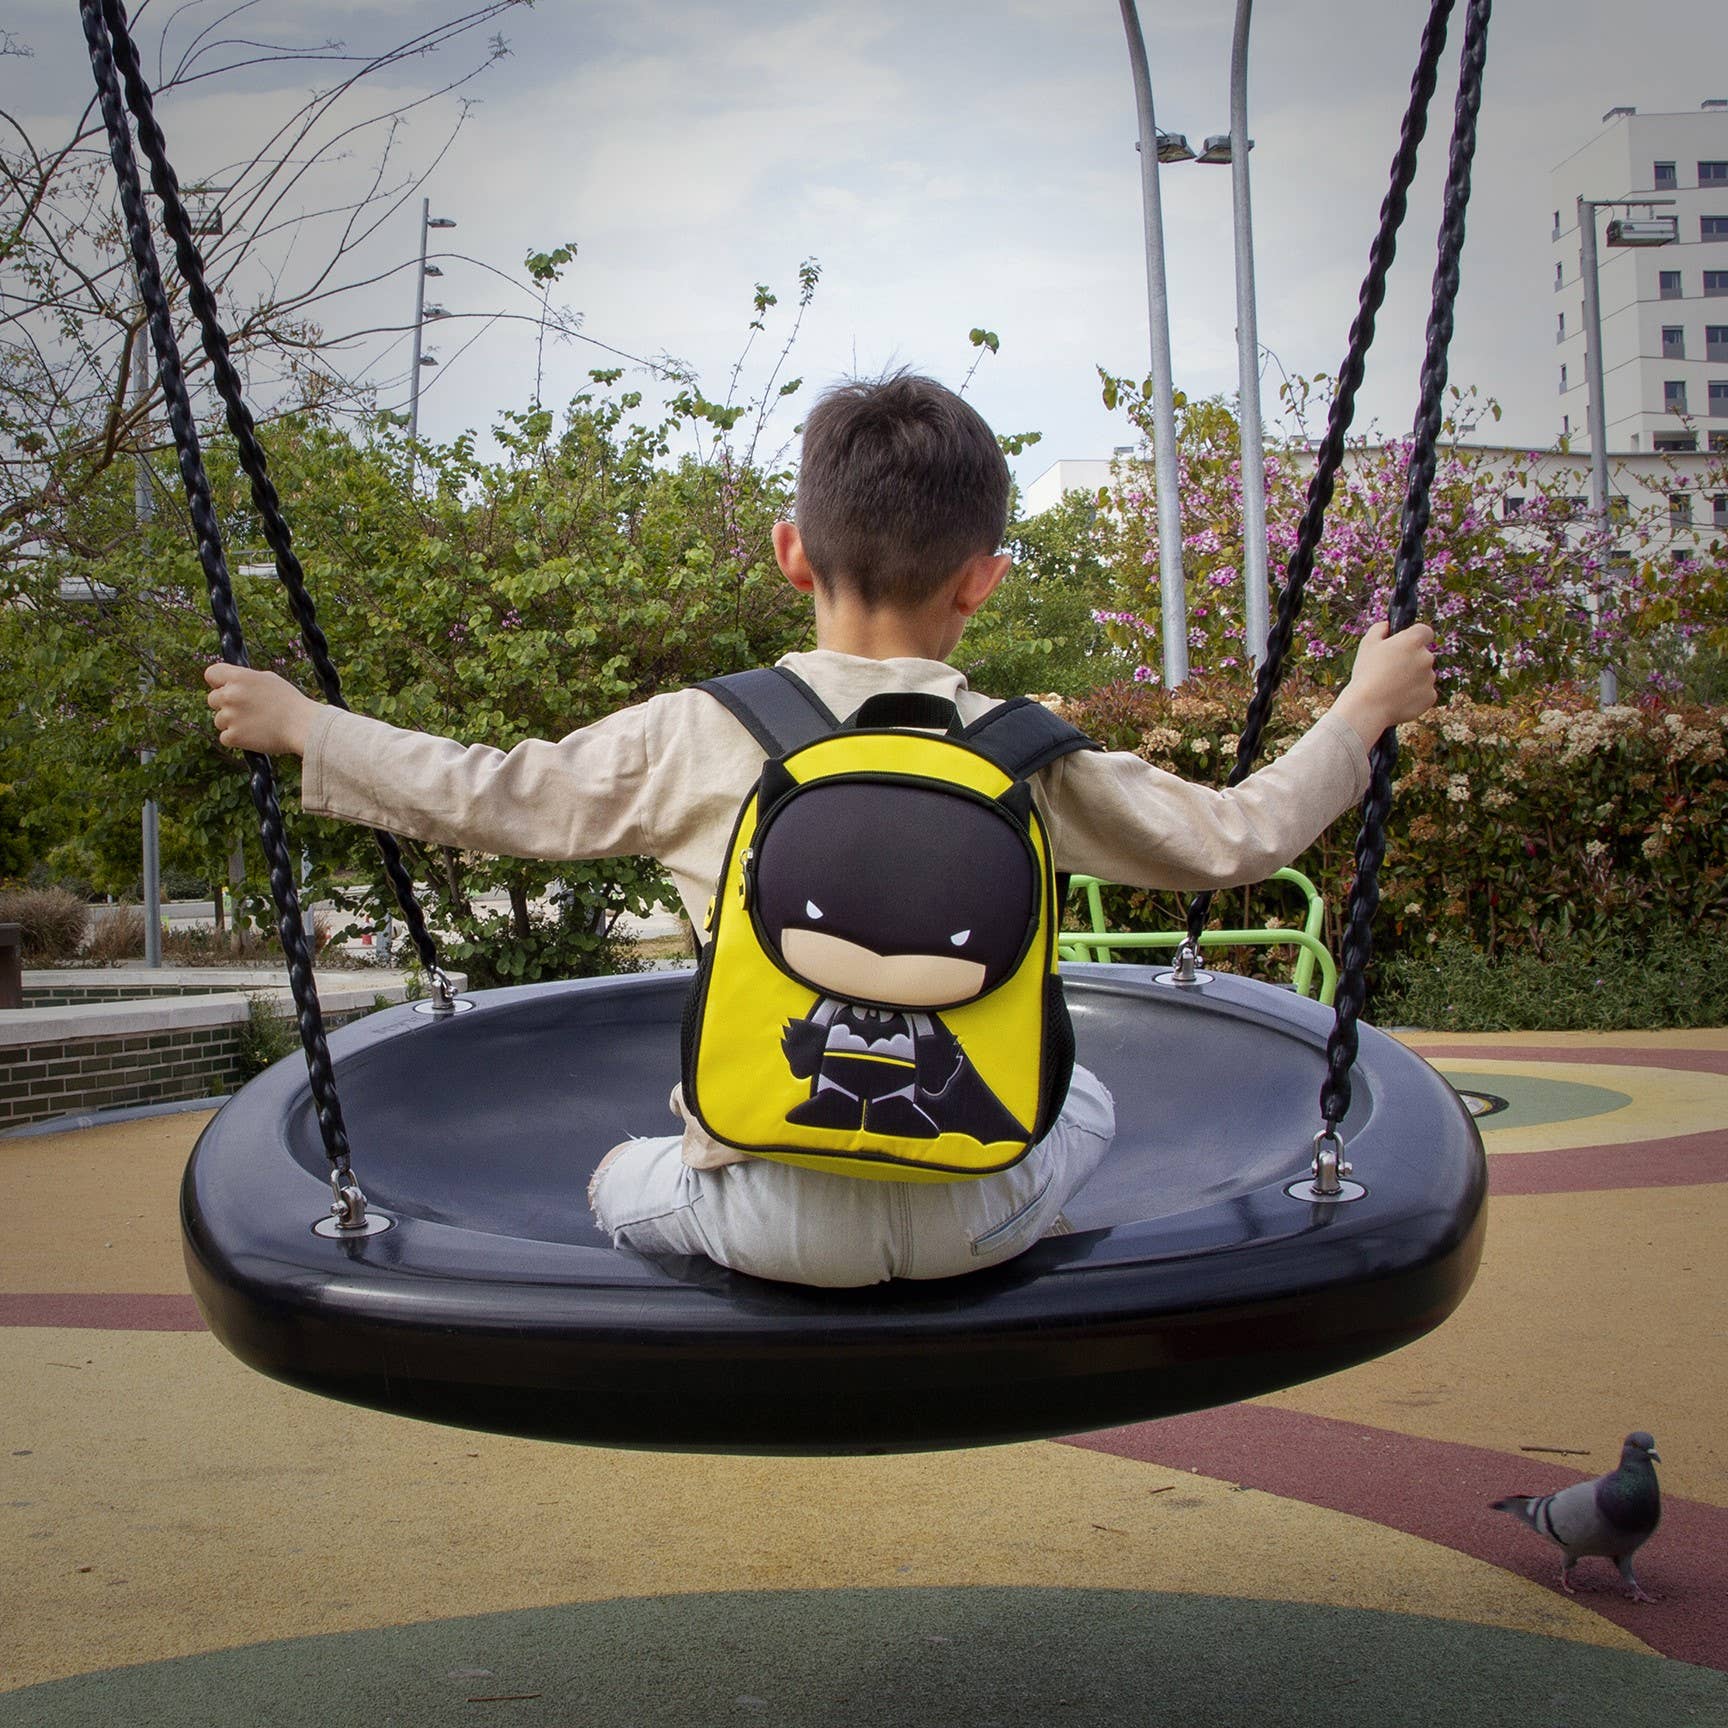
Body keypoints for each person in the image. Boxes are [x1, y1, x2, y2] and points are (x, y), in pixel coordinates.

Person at [205, 372, 1437, 1288]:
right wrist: (1361, 711)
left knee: (618, 1174)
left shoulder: (699, 735)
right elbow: (1238, 839)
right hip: (980, 1213)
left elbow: (492, 795)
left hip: (763, 1221)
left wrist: (310, 728)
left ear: (793, 554)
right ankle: (997, 1222)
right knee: (1093, 1099)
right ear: (983, 578)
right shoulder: (1029, 754)